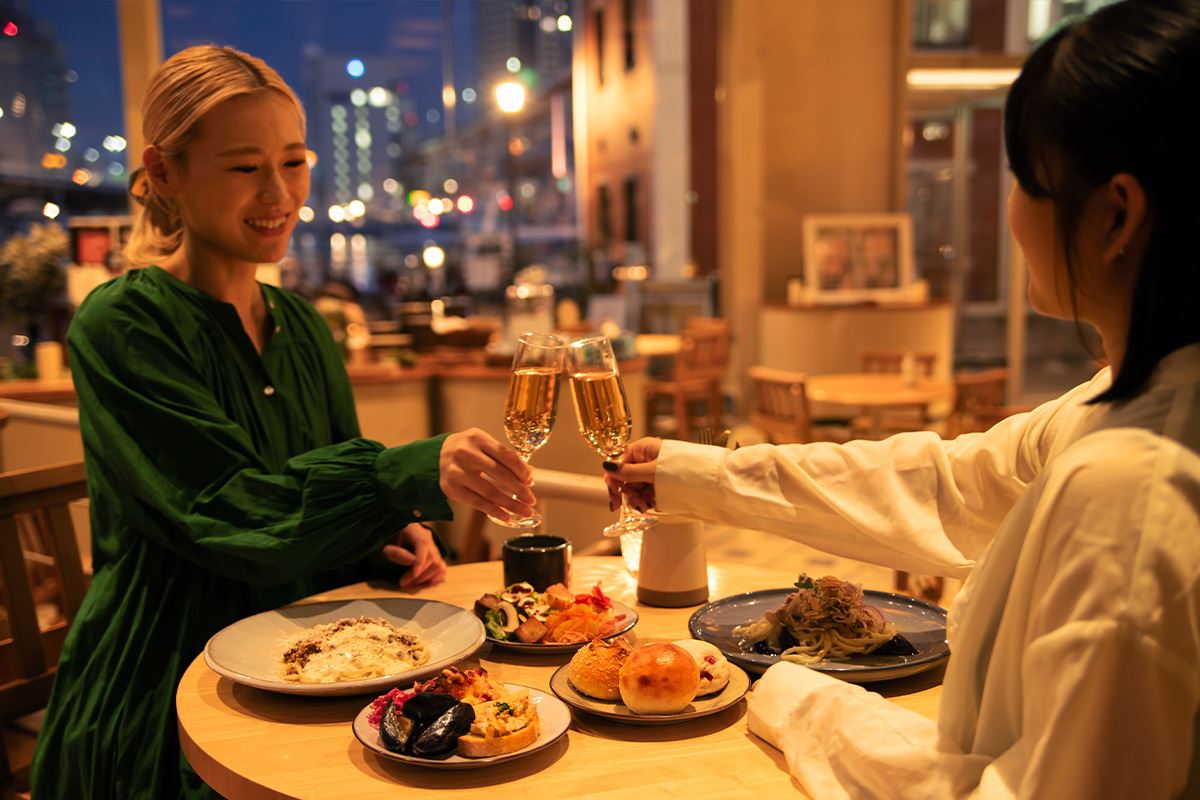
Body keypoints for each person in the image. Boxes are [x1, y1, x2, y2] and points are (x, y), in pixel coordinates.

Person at [604, 2, 1200, 797]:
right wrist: (694, 474)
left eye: (1024, 181)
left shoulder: (1134, 489)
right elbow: (948, 482)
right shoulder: (1122, 406)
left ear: (1116, 215)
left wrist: (805, 705)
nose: (1012, 211)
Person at [31, 45, 537, 799]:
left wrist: (389, 532)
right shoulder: (124, 324)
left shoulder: (302, 324)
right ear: (163, 172)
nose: (279, 194)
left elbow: (322, 486)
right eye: (245, 167)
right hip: (168, 671)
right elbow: (230, 516)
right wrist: (400, 476)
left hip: (328, 651)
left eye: (294, 163)